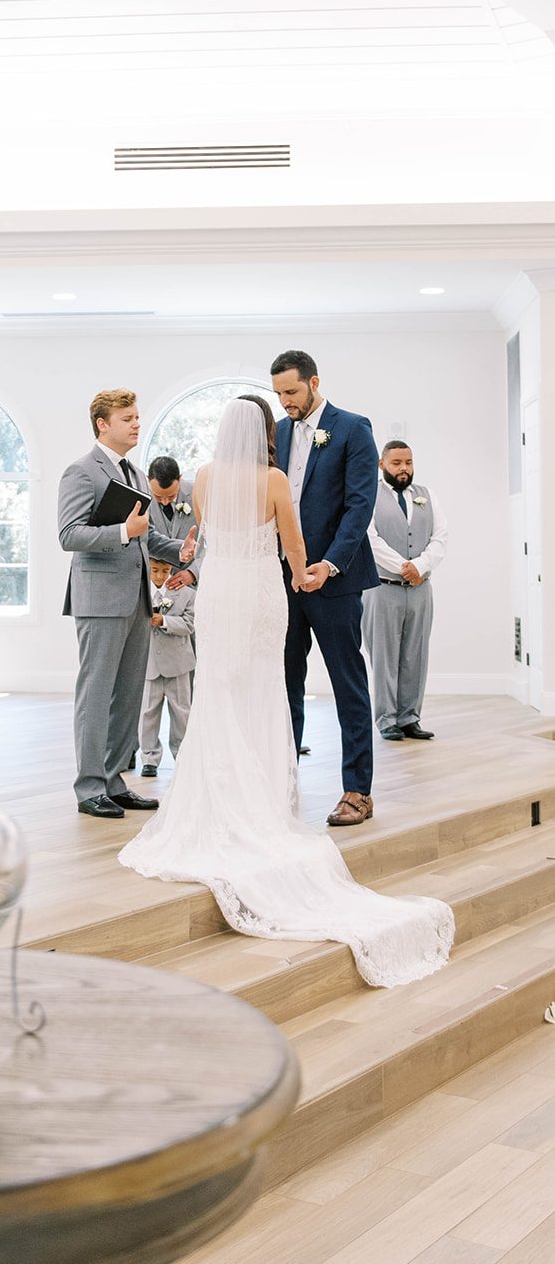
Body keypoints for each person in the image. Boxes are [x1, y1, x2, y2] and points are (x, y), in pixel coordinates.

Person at [119, 396, 453, 989]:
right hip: (265, 593)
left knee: (216, 691)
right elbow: (293, 546)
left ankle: (218, 799)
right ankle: (264, 803)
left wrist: (192, 567)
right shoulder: (273, 479)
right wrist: (308, 572)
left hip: (220, 595)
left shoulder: (203, 479)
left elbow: (203, 538)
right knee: (265, 692)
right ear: (263, 434)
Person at [58, 389, 196, 818]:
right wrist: (121, 531)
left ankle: (115, 781)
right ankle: (88, 788)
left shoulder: (135, 473)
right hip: (99, 598)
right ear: (103, 424)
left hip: (137, 598)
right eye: (128, 418)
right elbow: (69, 535)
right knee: (96, 694)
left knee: (128, 695)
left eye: (137, 417)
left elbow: (147, 535)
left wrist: (180, 551)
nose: (137, 424)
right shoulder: (81, 472)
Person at [271, 349, 380, 828]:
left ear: (314, 382)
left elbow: (359, 506)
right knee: (284, 683)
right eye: (278, 394)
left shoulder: (353, 428)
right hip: (282, 580)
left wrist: (330, 564)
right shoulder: (275, 431)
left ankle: (357, 790)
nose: (285, 402)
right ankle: (283, 781)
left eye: (291, 392)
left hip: (333, 582)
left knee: (347, 683)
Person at [363, 441, 448, 742]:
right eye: (396, 463)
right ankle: (387, 720)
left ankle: (410, 717)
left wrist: (421, 566)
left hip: (421, 588)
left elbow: (440, 537)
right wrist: (403, 566)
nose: (404, 469)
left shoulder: (427, 495)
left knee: (415, 654)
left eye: (408, 462)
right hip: (381, 588)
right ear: (382, 465)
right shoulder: (368, 494)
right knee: (384, 656)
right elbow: (368, 538)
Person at [139, 557, 195, 777]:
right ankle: (149, 758)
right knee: (148, 712)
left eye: (165, 571)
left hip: (178, 664)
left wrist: (164, 621)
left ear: (172, 569)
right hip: (150, 663)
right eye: (155, 570)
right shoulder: (140, 590)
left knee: (182, 712)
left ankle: (183, 754)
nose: (160, 576)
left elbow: (189, 624)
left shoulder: (188, 594)